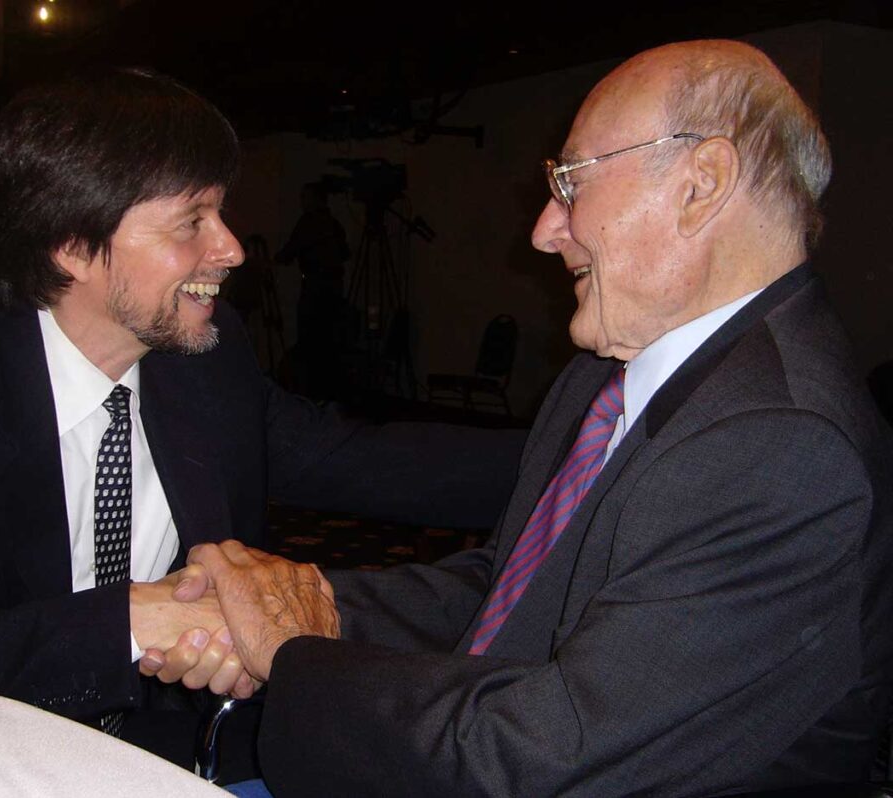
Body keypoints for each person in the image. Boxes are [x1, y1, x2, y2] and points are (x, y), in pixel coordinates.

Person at [171, 39, 893, 796]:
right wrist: (303, 597)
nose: (545, 230)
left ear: (701, 183)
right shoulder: (607, 380)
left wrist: (290, 650)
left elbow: (547, 760)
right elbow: (511, 589)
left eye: (571, 182)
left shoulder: (781, 443)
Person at [0, 68, 524, 772]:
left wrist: (593, 452)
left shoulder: (205, 359)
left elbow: (357, 458)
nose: (232, 248)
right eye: (192, 221)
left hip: (184, 746)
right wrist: (133, 619)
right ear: (71, 244)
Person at [274, 182, 351, 398]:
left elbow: (290, 251)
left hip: (316, 287)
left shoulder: (309, 222)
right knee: (328, 339)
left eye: (305, 197)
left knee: (311, 338)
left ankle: (312, 391)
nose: (302, 202)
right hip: (334, 288)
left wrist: (274, 259)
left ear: (316, 199)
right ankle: (329, 390)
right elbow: (345, 253)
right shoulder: (334, 224)